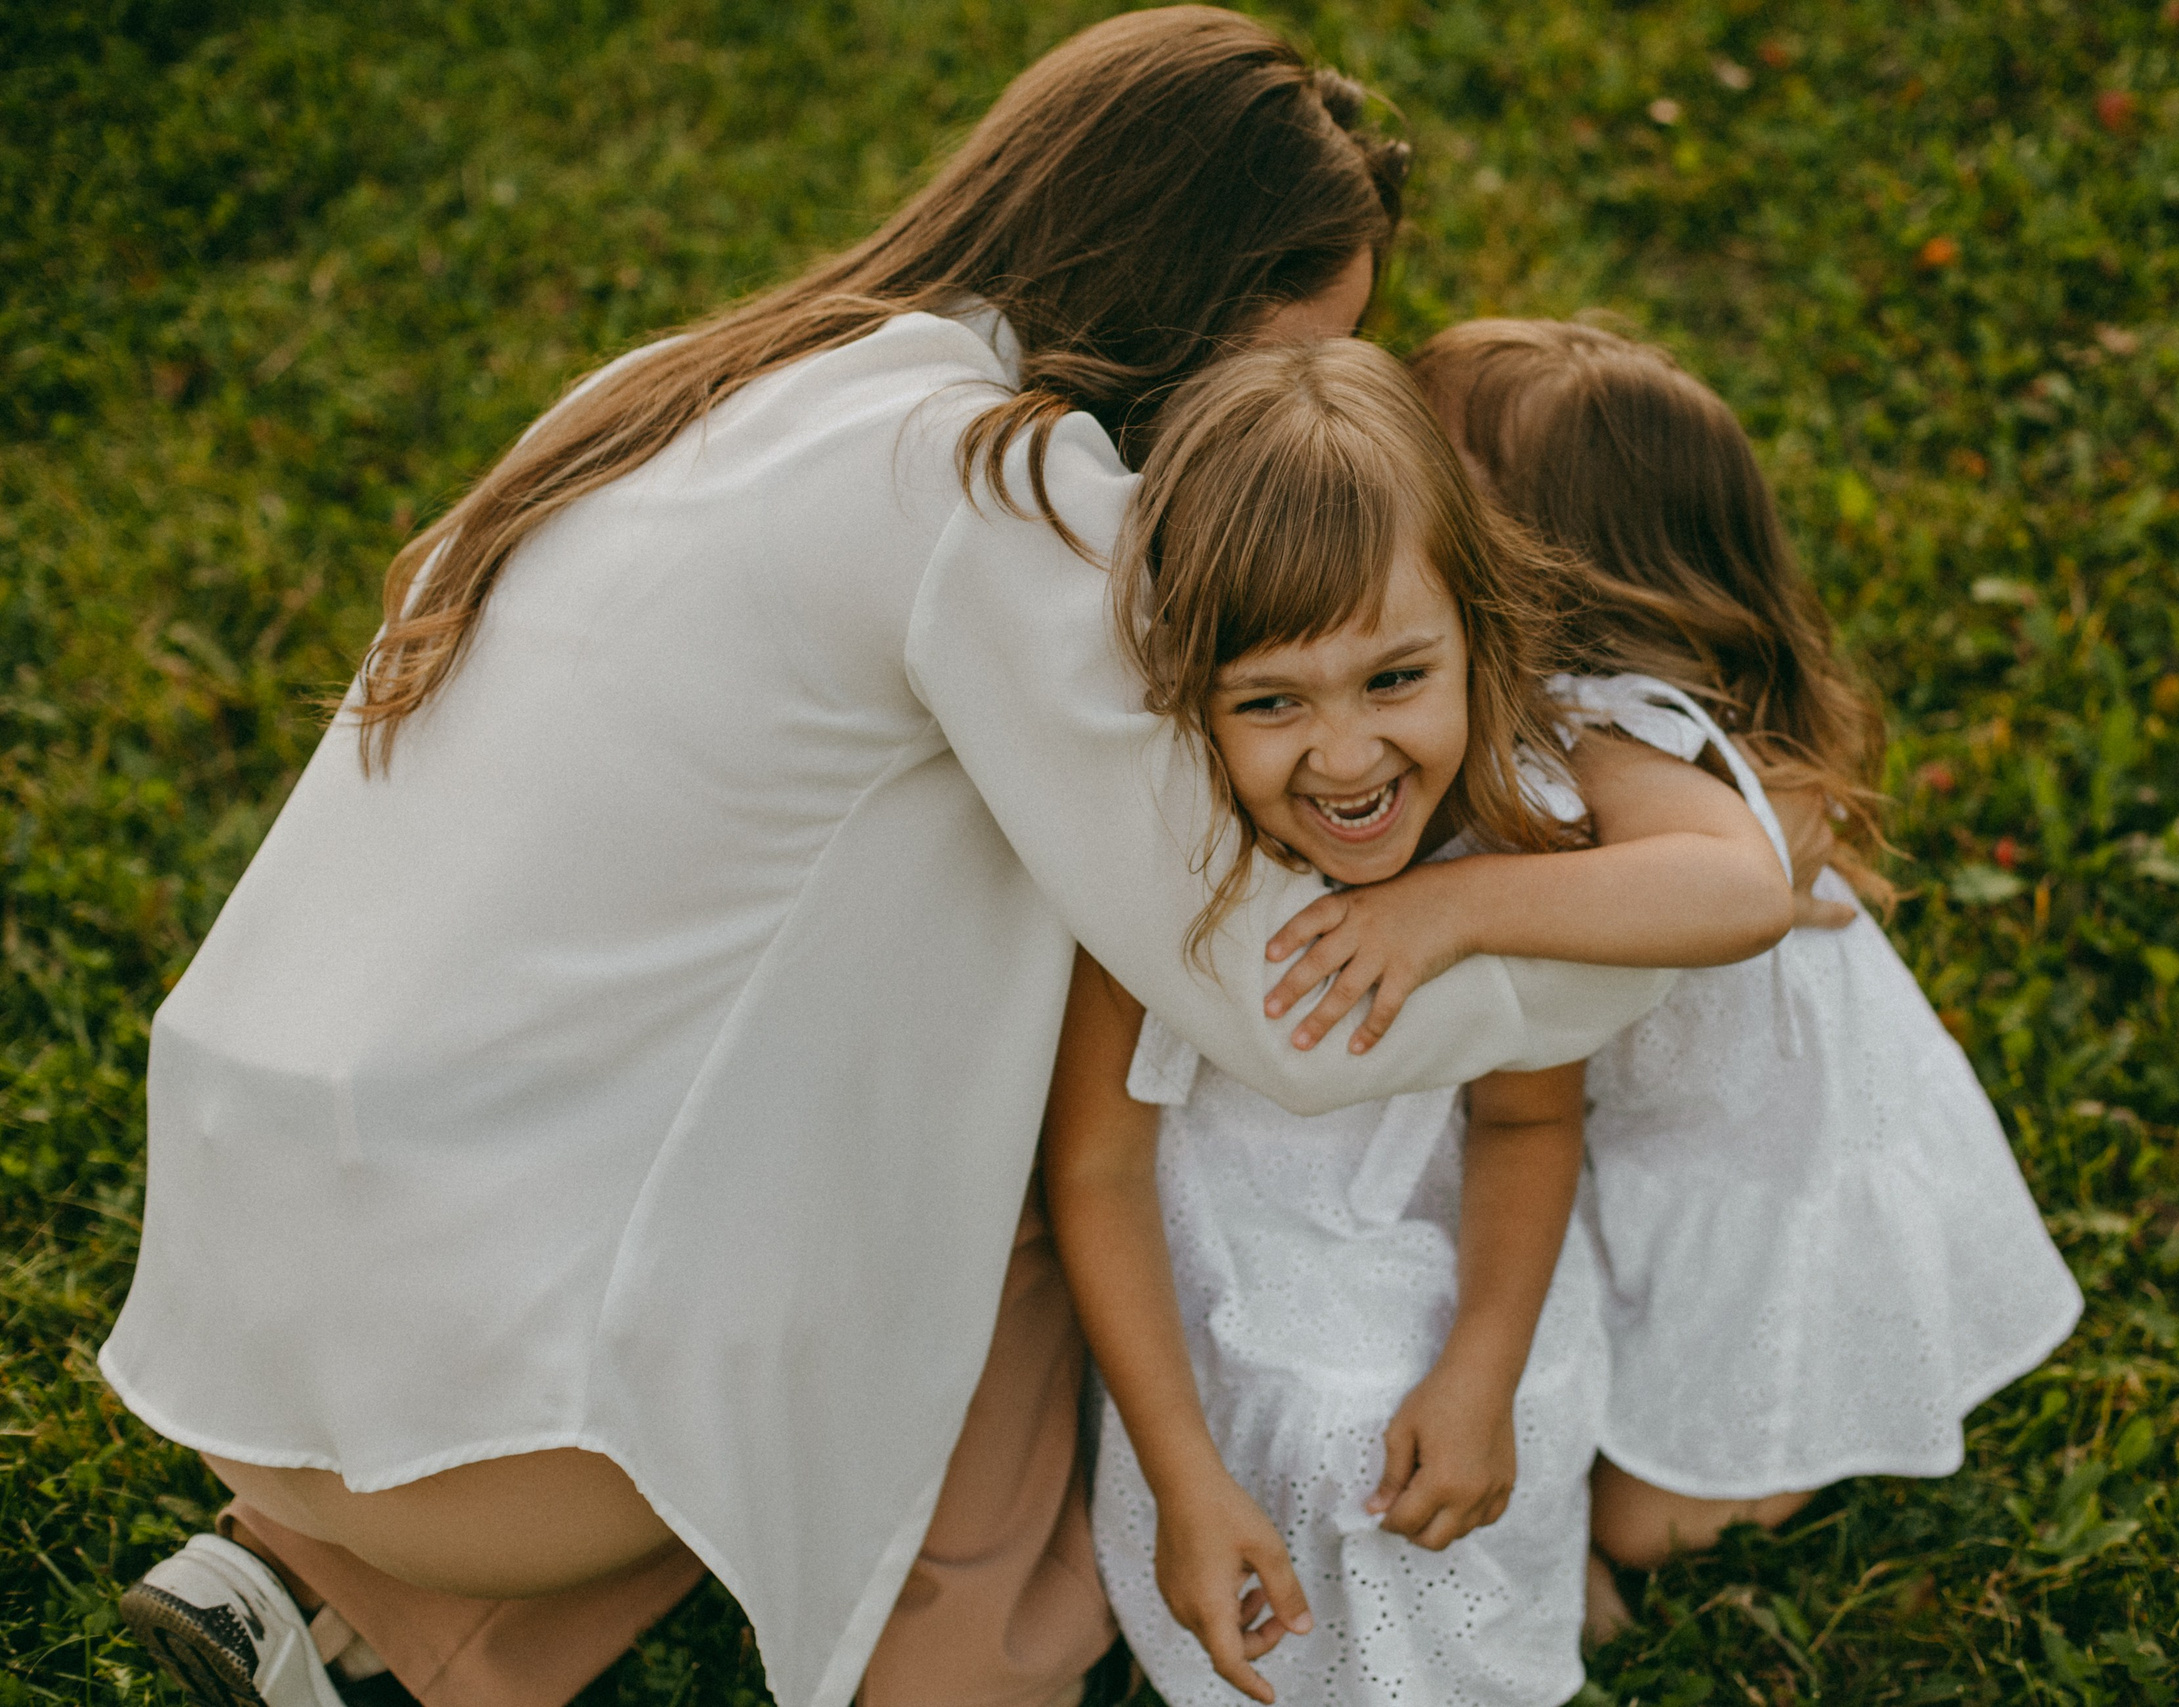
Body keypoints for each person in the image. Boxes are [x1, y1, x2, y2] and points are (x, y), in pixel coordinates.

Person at [99, 19, 1680, 1707]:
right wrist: (1655, 919)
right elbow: (1280, 1012)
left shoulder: (695, 379)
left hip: (273, 1290)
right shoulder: (1003, 493)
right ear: (1186, 305)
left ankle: (334, 1600)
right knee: (1047, 1145)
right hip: (498, 1423)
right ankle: (970, 1671)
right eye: (1272, 369)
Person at [1044, 340, 1798, 1707]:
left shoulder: (1511, 825)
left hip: (1461, 1284)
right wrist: (1182, 1471)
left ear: (1475, 633)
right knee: (1316, 1459)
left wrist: (1484, 1368)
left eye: (1396, 679)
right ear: (1189, 696)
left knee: (1425, 1478)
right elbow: (1096, 1167)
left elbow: (1528, 1114)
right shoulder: (1166, 869)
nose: (1343, 758)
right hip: (1229, 1310)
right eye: (1270, 703)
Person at [1402, 318, 2085, 1629]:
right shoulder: (1563, 701)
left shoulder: (1612, 726)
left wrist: (1454, 906)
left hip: (1759, 1174)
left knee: (1649, 1530)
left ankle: (1774, 1447)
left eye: (1441, 476)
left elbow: (1733, 894)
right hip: (1658, 1145)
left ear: (1564, 564)